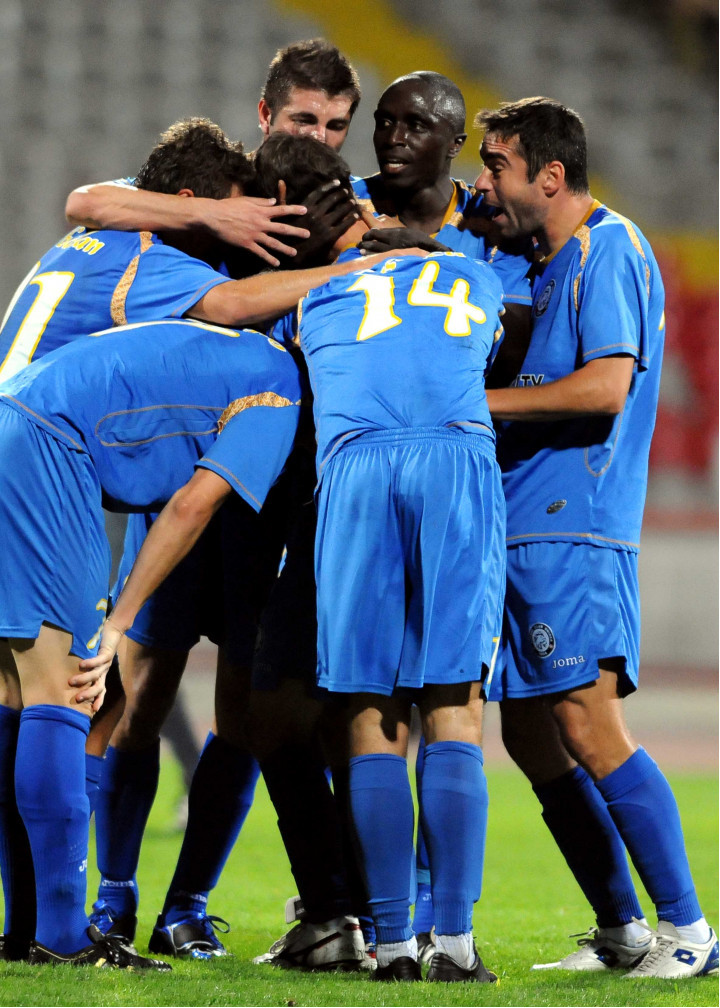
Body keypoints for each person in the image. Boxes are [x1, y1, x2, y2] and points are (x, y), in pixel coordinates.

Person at [474, 96, 718, 981]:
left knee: (587, 721)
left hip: (573, 524)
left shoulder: (610, 247)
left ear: (551, 174)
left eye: (496, 164)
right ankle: (621, 927)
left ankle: (689, 931)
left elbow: (607, 386)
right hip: (524, 522)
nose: (483, 182)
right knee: (530, 735)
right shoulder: (537, 260)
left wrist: (477, 405)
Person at [254, 133, 506, 985]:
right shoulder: (474, 277)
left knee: (369, 712)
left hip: (355, 470)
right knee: (454, 707)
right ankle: (453, 943)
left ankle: (391, 943)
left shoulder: (307, 298)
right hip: (456, 463)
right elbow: (478, 342)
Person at [0, 313, 304, 969]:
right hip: (53, 449)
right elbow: (192, 505)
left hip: (17, 415)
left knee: (14, 691)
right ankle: (64, 935)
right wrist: (115, 624)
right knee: (68, 691)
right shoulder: (278, 386)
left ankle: (24, 928)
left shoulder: (220, 333)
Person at [65, 39, 361, 268]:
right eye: (304, 120)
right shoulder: (222, 184)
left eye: (336, 125)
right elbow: (84, 202)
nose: (319, 137)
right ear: (265, 115)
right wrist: (215, 214)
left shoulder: (357, 198)